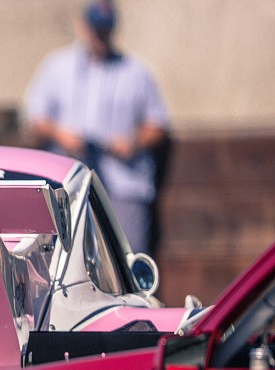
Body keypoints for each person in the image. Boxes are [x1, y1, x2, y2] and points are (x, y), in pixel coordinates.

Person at [24, 1, 169, 255]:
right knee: (66, 258)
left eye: (105, 30)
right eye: (95, 29)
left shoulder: (134, 71)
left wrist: (132, 143)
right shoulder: (57, 66)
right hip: (68, 182)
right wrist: (62, 136)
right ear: (83, 26)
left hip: (122, 183)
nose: (99, 36)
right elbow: (35, 117)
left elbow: (158, 124)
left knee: (129, 257)